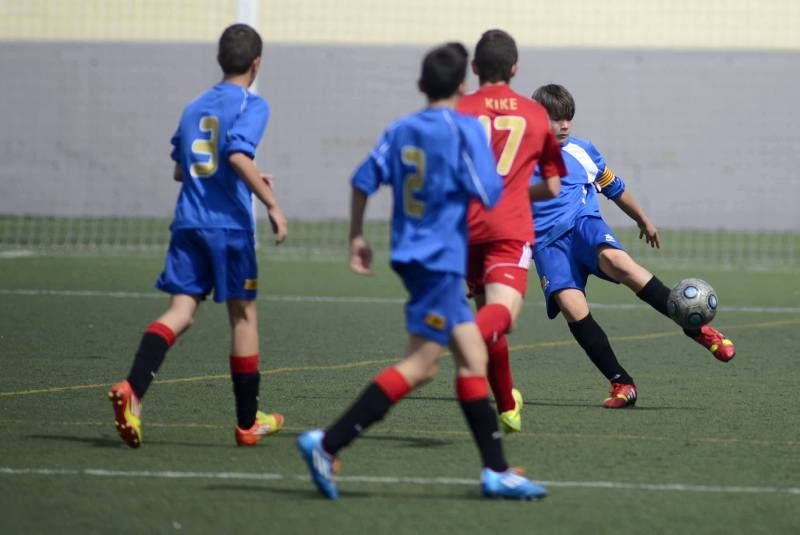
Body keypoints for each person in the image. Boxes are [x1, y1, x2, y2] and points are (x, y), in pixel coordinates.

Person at [297, 43, 547, 501]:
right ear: (462, 86)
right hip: (439, 263)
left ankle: (496, 472)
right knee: (420, 365)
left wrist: (357, 236)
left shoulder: (399, 129)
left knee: (472, 359)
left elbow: (361, 181)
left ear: (420, 86)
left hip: (410, 258)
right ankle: (327, 443)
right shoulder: (465, 130)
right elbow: (490, 192)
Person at [108, 23, 288, 447]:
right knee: (244, 317)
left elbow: (181, 169)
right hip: (227, 228)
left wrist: (241, 172)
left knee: (181, 312)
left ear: (220, 60)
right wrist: (271, 203)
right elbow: (238, 153)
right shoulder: (252, 104)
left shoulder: (194, 107)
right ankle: (248, 423)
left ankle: (134, 390)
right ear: (257, 63)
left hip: (189, 223)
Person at [529, 83, 736, 408]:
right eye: (556, 119)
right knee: (573, 309)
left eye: (568, 118)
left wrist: (643, 220)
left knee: (621, 264)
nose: (565, 125)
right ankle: (622, 384)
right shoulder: (518, 161)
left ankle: (697, 329)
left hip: (584, 227)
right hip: (546, 246)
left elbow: (614, 188)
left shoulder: (582, 151)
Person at [456, 30, 566, 432]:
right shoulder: (535, 115)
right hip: (508, 227)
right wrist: (516, 190)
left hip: (466, 228)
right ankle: (456, 339)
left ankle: (506, 404)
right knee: (503, 317)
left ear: (474, 68)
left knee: (490, 314)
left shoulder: (460, 109)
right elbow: (553, 186)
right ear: (515, 68)